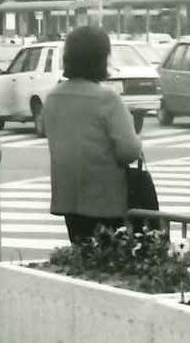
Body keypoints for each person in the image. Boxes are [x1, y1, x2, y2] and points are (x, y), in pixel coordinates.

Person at [44, 26, 144, 244]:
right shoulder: (107, 99)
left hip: (68, 198)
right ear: (101, 58)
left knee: (82, 255)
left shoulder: (53, 97)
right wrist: (138, 140)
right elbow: (129, 151)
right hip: (106, 200)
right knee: (108, 261)